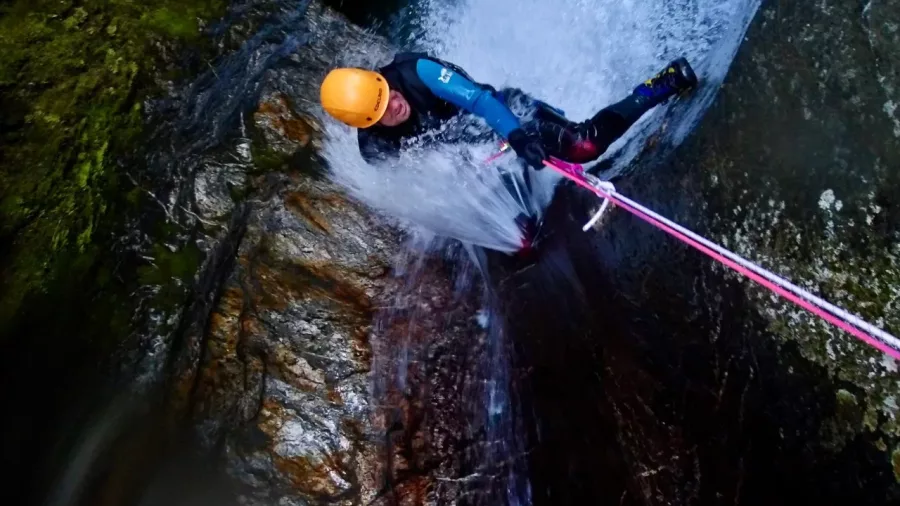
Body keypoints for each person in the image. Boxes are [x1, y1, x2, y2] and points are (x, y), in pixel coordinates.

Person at [319, 52, 698, 171]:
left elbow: (480, 101)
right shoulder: (375, 149)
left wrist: (516, 136)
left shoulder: (416, 73)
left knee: (583, 148)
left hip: (503, 114)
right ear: (368, 124)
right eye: (384, 110)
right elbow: (422, 184)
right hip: (474, 153)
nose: (395, 105)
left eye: (389, 94)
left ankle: (660, 84)